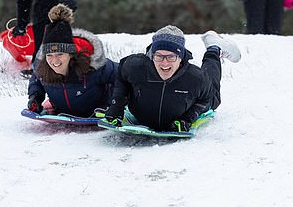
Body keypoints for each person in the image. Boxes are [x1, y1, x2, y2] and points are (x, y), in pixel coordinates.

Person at [102, 26, 241, 133]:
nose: (164, 63)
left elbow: (207, 98)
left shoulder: (195, 78)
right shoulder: (136, 66)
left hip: (191, 100)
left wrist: (187, 119)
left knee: (214, 96)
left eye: (171, 57)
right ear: (152, 55)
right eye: (159, 56)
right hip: (142, 114)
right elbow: (121, 75)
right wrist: (116, 107)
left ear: (180, 58)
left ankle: (213, 47)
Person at [26, 4, 118, 118]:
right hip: (62, 110)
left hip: (98, 111)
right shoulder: (43, 68)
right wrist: (35, 98)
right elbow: (36, 79)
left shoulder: (92, 67)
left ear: (70, 54)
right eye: (49, 55)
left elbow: (120, 75)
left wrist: (114, 104)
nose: (54, 61)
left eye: (60, 54)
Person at [7, 0, 78, 76]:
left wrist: (21, 26)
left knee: (39, 28)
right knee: (60, 28)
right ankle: (68, 65)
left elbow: (23, 0)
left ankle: (37, 69)